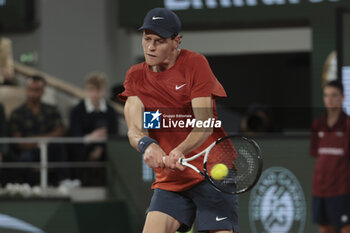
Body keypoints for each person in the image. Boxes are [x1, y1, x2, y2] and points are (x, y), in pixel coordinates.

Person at [119, 8, 238, 233]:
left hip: (211, 170)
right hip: (171, 179)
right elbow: (134, 129)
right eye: (147, 40)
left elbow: (204, 122)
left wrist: (180, 150)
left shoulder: (195, 64)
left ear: (176, 41)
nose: (151, 47)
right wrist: (147, 145)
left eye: (159, 41)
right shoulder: (136, 76)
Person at [9, 75, 67, 185]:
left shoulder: (52, 110)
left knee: (60, 146)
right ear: (26, 90)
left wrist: (39, 140)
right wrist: (40, 141)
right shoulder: (17, 113)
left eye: (37, 90)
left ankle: (62, 183)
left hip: (50, 148)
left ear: (43, 91)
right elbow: (18, 141)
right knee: (23, 160)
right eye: (30, 89)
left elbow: (59, 131)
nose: (33, 93)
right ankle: (31, 187)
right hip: (28, 151)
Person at [310, 80, 350, 233]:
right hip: (320, 190)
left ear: (343, 97)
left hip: (343, 190)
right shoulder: (317, 124)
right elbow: (316, 154)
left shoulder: (347, 124)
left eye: (334, 95)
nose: (330, 99)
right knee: (324, 228)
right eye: (326, 95)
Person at [69, 72, 117, 186]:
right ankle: (78, 181)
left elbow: (114, 134)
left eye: (98, 90)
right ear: (86, 90)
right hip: (82, 150)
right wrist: (91, 138)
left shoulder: (110, 111)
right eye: (91, 90)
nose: (94, 94)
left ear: (104, 90)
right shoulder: (77, 110)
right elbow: (74, 135)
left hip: (104, 150)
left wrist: (100, 147)